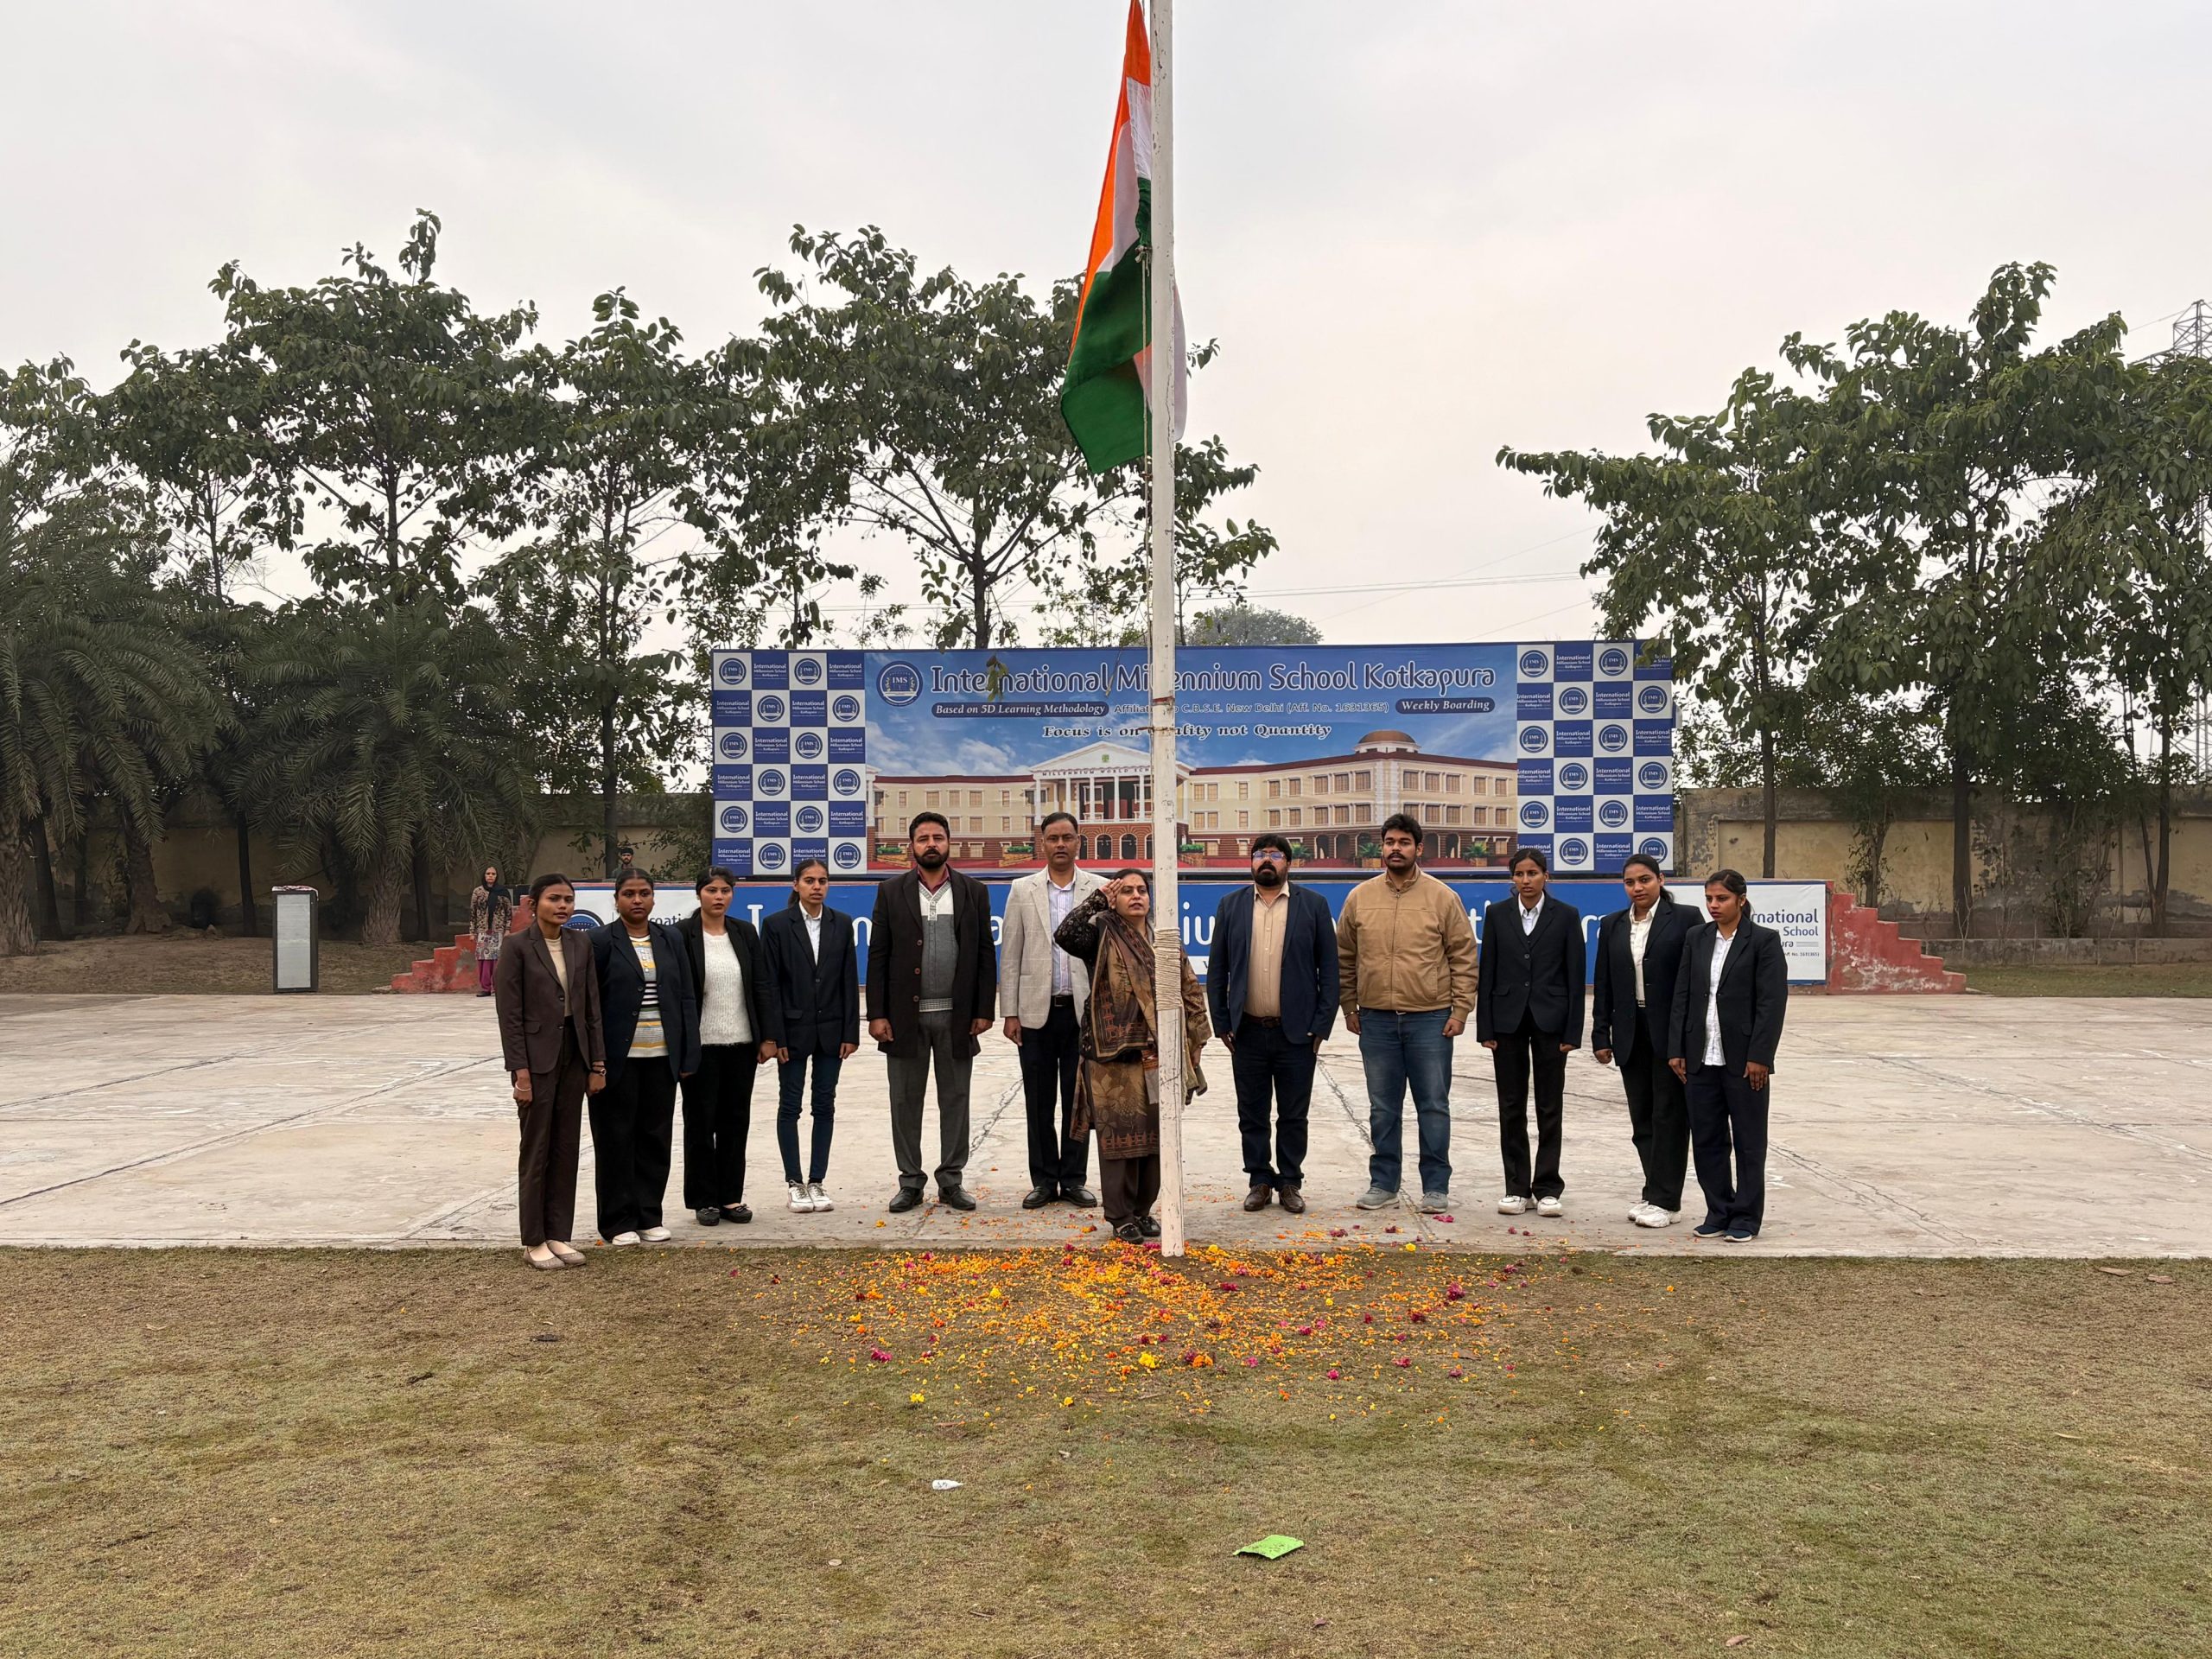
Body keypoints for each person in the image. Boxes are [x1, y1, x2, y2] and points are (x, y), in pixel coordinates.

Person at [1053, 869, 1211, 1243]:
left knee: (1157, 1136)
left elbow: (1189, 987)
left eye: (1142, 890)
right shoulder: (1101, 934)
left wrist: (1196, 1040)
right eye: (1126, 891)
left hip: (1159, 1053)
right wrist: (1098, 899)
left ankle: (1143, 1211)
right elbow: (1065, 934)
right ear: (1115, 899)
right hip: (1112, 1057)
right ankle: (1120, 1215)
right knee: (1120, 1140)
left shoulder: (1164, 940)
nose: (1136, 896)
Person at [1337, 814, 1478, 1214]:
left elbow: (1464, 957)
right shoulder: (1360, 897)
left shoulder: (1442, 897)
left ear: (1419, 848)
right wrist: (1350, 1005)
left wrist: (1460, 1010)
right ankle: (1384, 1183)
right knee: (1383, 1109)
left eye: (1403, 842)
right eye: (1389, 842)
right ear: (1381, 847)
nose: (1395, 848)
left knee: (1432, 1105)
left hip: (1430, 1019)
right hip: (1376, 1020)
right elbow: (1344, 957)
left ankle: (1436, 1187)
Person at [867, 812, 996, 1212]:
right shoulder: (891, 891)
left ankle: (951, 1181)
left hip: (957, 1017)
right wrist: (877, 1014)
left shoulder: (973, 891)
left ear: (949, 843)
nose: (931, 844)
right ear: (912, 846)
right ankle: (910, 1182)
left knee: (955, 1100)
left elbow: (984, 953)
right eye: (923, 838)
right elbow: (878, 955)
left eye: (938, 837)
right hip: (904, 1020)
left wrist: (983, 1009)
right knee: (905, 1102)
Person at [1207, 833, 1338, 1215]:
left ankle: (1291, 1181)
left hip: (1296, 1033)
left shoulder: (1313, 905)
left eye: (1275, 855)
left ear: (1288, 863)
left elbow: (1329, 971)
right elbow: (1217, 969)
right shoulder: (1231, 905)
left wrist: (1321, 1026)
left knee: (1294, 1114)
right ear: (1251, 862)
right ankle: (1260, 1180)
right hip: (1246, 1031)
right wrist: (1222, 1022)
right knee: (1252, 1113)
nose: (1267, 860)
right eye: (1260, 854)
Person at [1669, 868, 1789, 1243]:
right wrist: (1677, 1048)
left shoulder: (1764, 941)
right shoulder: (1697, 938)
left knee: (1749, 1141)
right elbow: (1683, 995)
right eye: (1709, 899)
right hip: (1700, 1056)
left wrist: (1761, 1056)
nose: (1714, 905)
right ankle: (1718, 1210)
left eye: (1721, 898)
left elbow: (1771, 1003)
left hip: (1744, 1061)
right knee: (1707, 1138)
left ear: (1741, 899)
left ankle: (1746, 1218)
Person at [493, 874, 606, 1270]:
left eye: (568, 900)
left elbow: (591, 1007)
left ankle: (558, 1234)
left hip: (574, 1056)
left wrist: (597, 1063)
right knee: (536, 1148)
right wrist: (520, 1072)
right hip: (536, 1061)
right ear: (533, 904)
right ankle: (534, 1240)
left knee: (565, 1147)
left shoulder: (580, 943)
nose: (562, 906)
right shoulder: (517, 947)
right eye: (554, 899)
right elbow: (509, 1016)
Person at [999, 811, 1106, 1210]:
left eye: (1067, 837)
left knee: (1079, 1102)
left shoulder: (1100, 888)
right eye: (1053, 838)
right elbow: (1011, 954)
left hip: (1083, 1013)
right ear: (1042, 843)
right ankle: (1044, 1180)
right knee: (1039, 1102)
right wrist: (1010, 1012)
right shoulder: (1022, 889)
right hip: (1035, 1013)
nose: (1060, 844)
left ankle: (1074, 1179)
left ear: (1079, 841)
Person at [588, 872, 701, 1247]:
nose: (637, 900)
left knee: (655, 1138)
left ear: (654, 899)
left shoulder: (671, 939)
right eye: (629, 894)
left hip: (661, 1057)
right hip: (618, 1060)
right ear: (616, 899)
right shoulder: (600, 941)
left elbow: (686, 997)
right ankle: (617, 1221)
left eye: (644, 893)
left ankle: (649, 1214)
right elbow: (591, 1006)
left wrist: (688, 1052)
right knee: (615, 1139)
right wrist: (595, 1061)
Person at [1477, 847, 1586, 1219]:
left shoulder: (1566, 915)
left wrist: (1573, 1031)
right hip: (1506, 1021)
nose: (1526, 880)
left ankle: (1548, 1187)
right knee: (1511, 1105)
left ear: (1545, 876)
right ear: (1512, 878)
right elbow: (1488, 970)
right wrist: (1485, 1027)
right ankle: (1516, 1187)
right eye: (1520, 874)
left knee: (1549, 1105)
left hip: (1551, 1020)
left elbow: (1575, 976)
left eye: (1533, 873)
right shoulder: (1497, 914)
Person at [1591, 853, 1694, 1228]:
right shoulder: (1612, 924)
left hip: (1670, 1030)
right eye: (1630, 882)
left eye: (1645, 880)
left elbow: (1692, 981)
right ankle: (1654, 1192)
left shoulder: (1686, 919)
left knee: (1670, 1116)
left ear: (1661, 880)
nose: (1638, 888)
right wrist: (1601, 1032)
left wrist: (1686, 1038)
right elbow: (1604, 982)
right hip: (1630, 1030)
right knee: (1642, 1118)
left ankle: (1667, 1200)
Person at [676, 868, 778, 1228]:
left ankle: (731, 1197)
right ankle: (704, 1199)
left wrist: (768, 1037)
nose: (718, 897)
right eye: (711, 890)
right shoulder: (681, 934)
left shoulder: (745, 932)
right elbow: (678, 993)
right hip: (700, 1047)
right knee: (700, 1124)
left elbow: (761, 984)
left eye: (725, 890)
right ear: (699, 894)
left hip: (741, 1045)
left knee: (735, 1122)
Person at [760, 857, 860, 1214]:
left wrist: (851, 1031)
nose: (817, 887)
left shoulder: (841, 924)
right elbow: (770, 984)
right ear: (796, 885)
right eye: (809, 881)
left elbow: (849, 980)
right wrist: (775, 1036)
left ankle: (817, 1180)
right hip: (792, 1031)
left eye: (823, 881)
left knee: (824, 1104)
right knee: (790, 1105)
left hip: (832, 1029)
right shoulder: (776, 925)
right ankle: (794, 1183)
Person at [469, 866, 512, 998]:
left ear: (496, 876)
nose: (490, 876)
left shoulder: (503, 892)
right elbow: (473, 912)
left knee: (496, 959)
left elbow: (508, 912)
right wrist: (472, 931)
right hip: (482, 930)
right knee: (483, 960)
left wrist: (508, 929)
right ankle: (485, 988)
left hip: (498, 930)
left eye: (493, 874)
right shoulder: (478, 892)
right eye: (488, 873)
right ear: (484, 875)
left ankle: (497, 987)